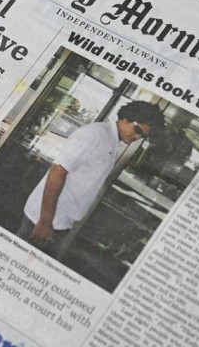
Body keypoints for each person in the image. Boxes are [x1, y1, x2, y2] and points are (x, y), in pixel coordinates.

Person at [17, 100, 165, 256]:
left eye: (143, 136)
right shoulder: (95, 135)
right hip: (45, 220)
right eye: (137, 130)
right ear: (125, 119)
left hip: (60, 222)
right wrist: (45, 221)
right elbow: (58, 171)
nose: (137, 137)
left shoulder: (112, 142)